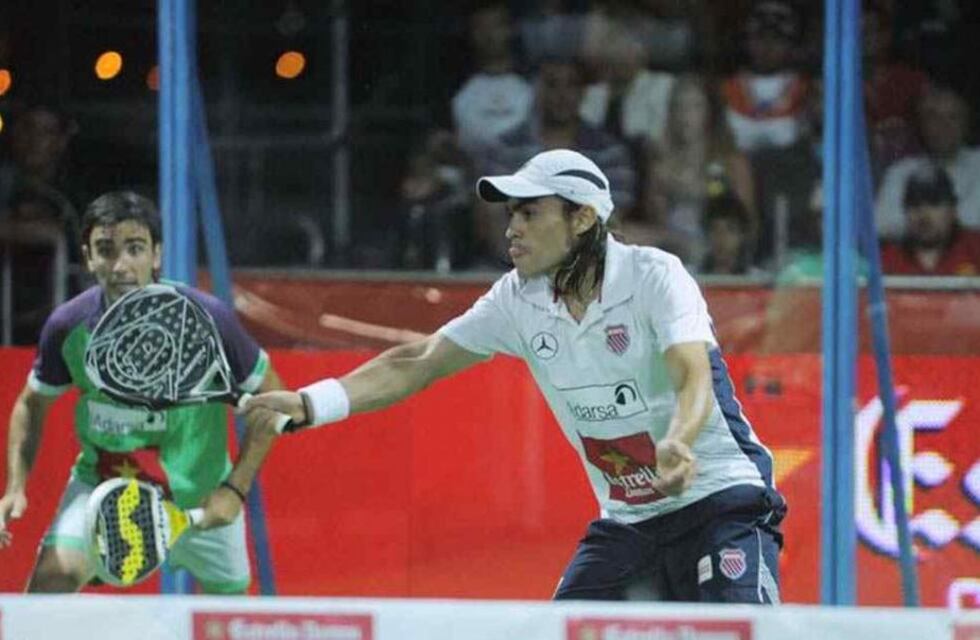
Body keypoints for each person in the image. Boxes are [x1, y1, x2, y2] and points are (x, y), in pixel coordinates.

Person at [212, 149, 787, 603]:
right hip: (631, 523)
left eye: (530, 212)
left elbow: (692, 374)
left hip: (720, 503)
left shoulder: (655, 276)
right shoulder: (517, 300)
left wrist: (680, 441)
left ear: (582, 217)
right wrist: (312, 403)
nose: (512, 228)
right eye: (511, 214)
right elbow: (420, 360)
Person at [0, 191, 282, 594]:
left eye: (134, 249)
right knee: (49, 587)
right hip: (103, 492)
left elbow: (274, 399)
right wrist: (15, 486)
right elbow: (31, 403)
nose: (121, 266)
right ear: (88, 256)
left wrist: (235, 487)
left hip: (203, 501)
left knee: (229, 625)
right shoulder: (68, 328)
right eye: (105, 250)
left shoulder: (207, 322)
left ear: (156, 255)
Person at [471, 58, 637, 266]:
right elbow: (491, 221)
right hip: (508, 269)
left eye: (571, 85)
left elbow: (610, 222)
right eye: (552, 84)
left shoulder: (610, 153)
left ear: (583, 92)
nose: (562, 94)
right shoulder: (504, 149)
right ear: (538, 90)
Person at [874, 82, 980, 239]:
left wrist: (922, 225)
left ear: (966, 124)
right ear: (921, 125)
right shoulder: (901, 172)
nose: (944, 125)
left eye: (953, 117)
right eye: (934, 117)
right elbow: (881, 226)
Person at [880, 165, 980, 276]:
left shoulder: (975, 248)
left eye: (934, 204)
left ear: (953, 211)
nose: (924, 215)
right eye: (914, 205)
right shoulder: (888, 258)